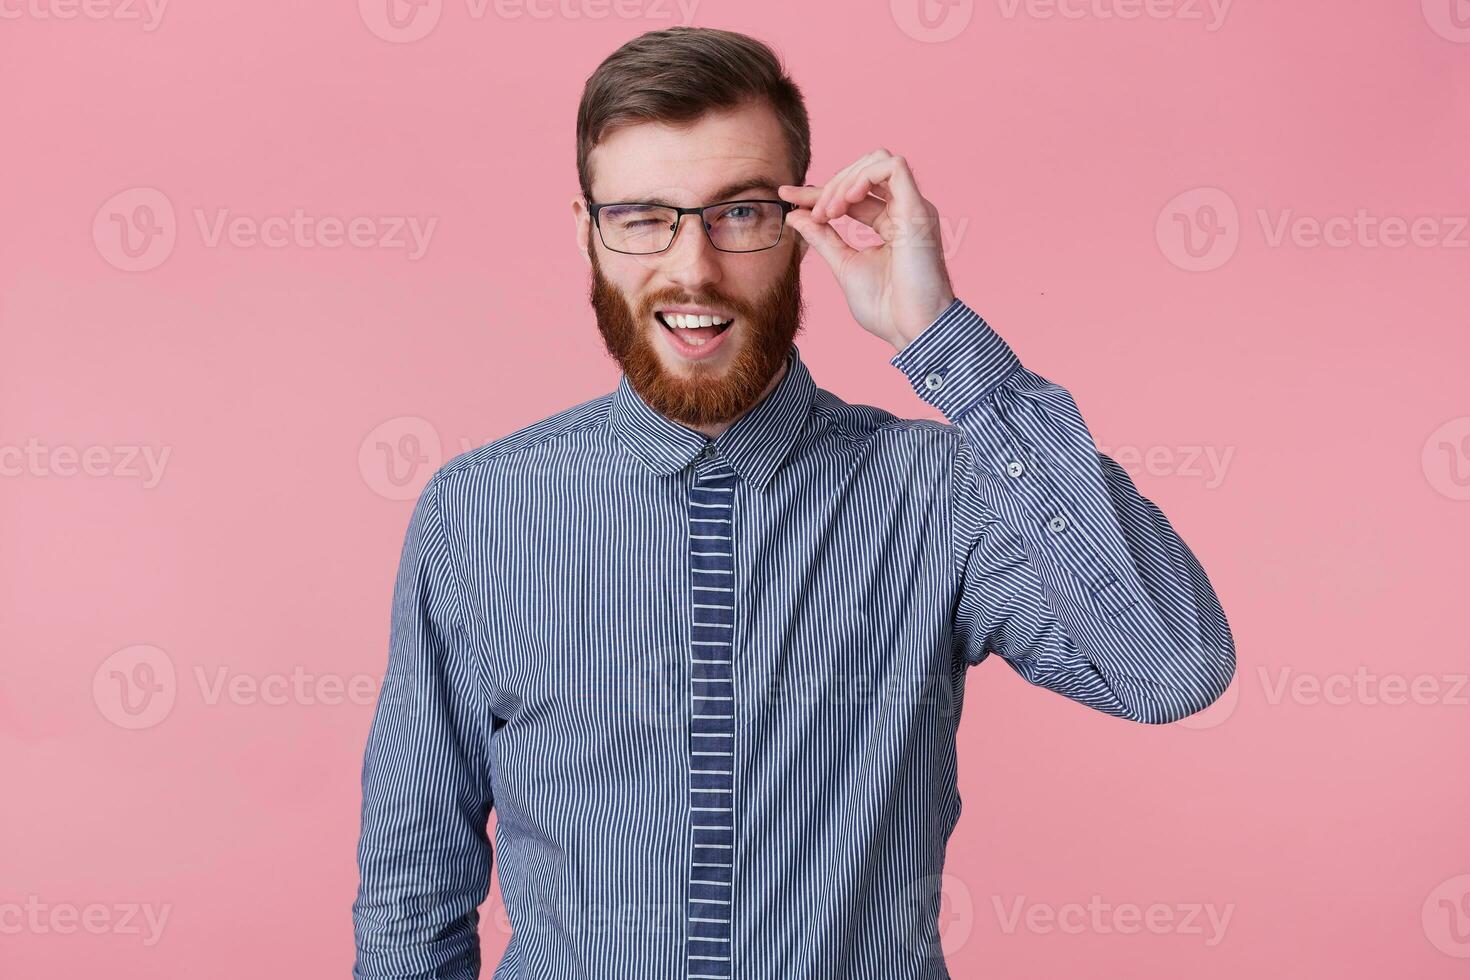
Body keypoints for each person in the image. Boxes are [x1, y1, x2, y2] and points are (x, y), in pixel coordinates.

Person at [351, 25, 1235, 980]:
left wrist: (943, 343)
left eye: (739, 215)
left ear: (804, 224)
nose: (692, 267)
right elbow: (416, 891)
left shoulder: (942, 492)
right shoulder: (479, 513)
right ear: (587, 231)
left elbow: (1169, 669)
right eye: (645, 215)